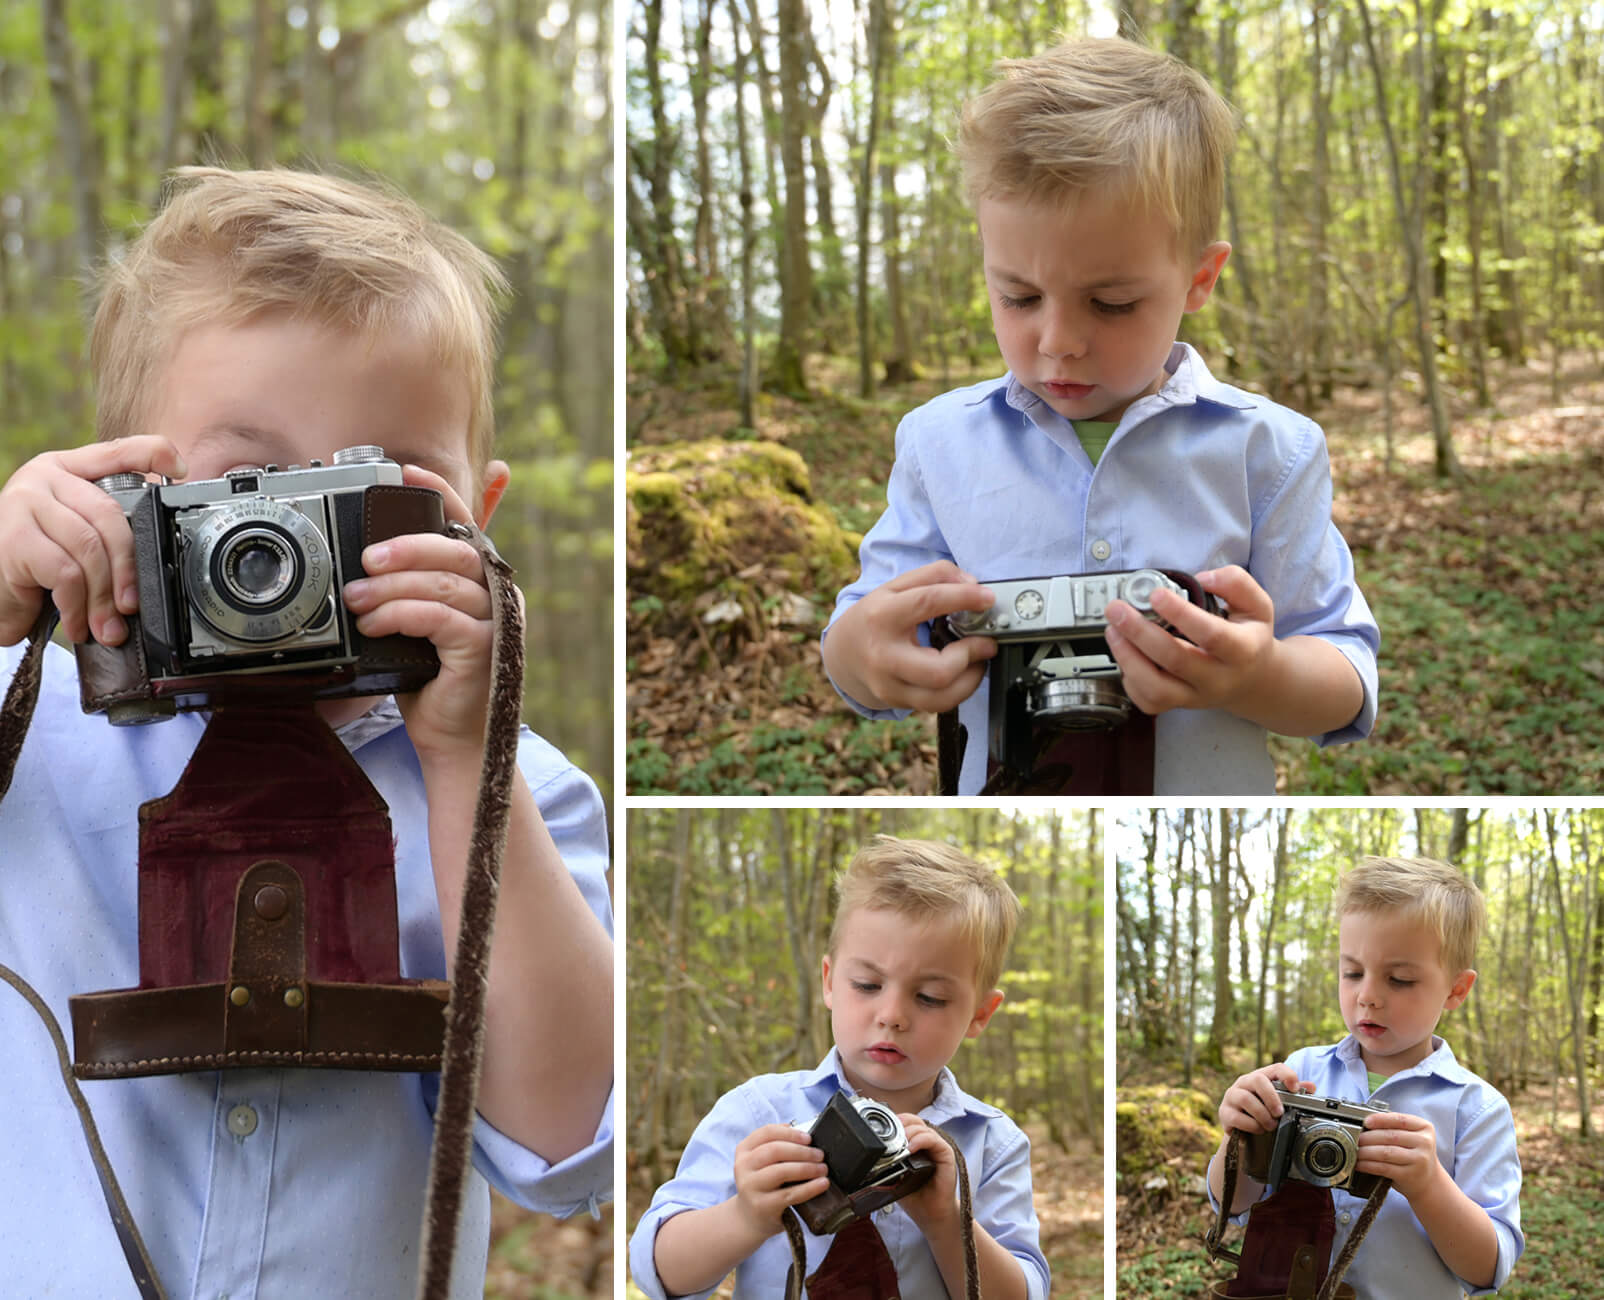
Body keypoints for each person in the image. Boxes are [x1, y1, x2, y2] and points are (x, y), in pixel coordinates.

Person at [0, 166, 614, 1296]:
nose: (296, 538)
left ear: (482, 512)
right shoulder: (4, 728)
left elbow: (568, 1150)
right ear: (120, 486)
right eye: (247, 481)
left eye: (374, 481)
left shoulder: (520, 791)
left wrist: (471, 766)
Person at [820, 38, 1378, 794]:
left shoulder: (1269, 452)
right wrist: (862, 657)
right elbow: (860, 635)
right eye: (1018, 297)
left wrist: (1257, 674)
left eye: (1111, 303)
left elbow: (1344, 674)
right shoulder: (938, 444)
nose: (1058, 342)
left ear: (1198, 278)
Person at [630, 838, 1049, 1300]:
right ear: (830, 981)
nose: (892, 1014)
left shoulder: (992, 1142)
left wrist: (946, 1221)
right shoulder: (759, 1112)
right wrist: (745, 1218)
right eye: (868, 984)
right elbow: (656, 1272)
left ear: (980, 1015)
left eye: (930, 997)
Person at [1208, 857, 1522, 1297]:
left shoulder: (1475, 1108)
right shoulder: (1303, 1073)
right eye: (1352, 972)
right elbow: (1232, 1205)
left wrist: (1428, 1184)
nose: (1368, 996)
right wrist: (1239, 1134)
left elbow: (1488, 1268)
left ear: (1456, 990)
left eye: (1399, 979)